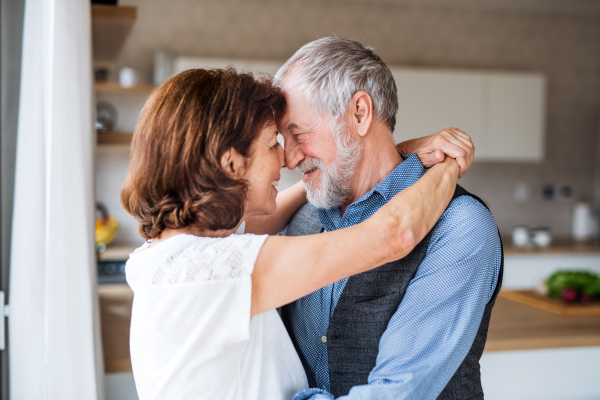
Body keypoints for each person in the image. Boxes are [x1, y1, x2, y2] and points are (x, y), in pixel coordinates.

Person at [121, 67, 463, 400]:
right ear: (231, 165)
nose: (286, 159)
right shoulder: (208, 276)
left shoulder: (181, 252)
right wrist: (448, 163)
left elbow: (277, 209)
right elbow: (396, 234)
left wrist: (394, 155)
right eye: (273, 144)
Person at [274, 37, 503, 400]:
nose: (288, 159)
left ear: (360, 114)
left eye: (298, 133)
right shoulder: (301, 217)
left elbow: (398, 393)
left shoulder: (460, 227)